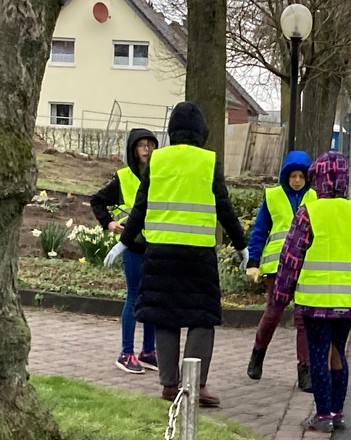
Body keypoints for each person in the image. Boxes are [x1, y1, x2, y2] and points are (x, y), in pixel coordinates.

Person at [104, 101, 249, 406]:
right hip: (198, 254)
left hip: (160, 253)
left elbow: (141, 206)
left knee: (165, 317)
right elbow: (224, 207)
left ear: (172, 131)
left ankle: (170, 386)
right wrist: (242, 245)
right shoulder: (208, 161)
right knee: (202, 318)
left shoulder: (158, 161)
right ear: (201, 131)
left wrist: (125, 242)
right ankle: (194, 387)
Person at [272, 151, 351, 433]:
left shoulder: (310, 212)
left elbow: (291, 257)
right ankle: (338, 412)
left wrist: (280, 295)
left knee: (318, 353)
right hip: (349, 298)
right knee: (338, 351)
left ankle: (323, 414)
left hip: (316, 297)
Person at [245, 150, 316, 391]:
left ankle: (304, 369)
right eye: (293, 176)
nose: (297, 180)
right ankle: (258, 354)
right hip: (277, 267)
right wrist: (253, 261)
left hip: (306, 265)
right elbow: (260, 230)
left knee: (303, 319)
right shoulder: (273, 196)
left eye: (301, 176)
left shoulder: (316, 198)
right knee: (273, 314)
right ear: (286, 176)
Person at [90, 128, 158, 374]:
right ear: (133, 149)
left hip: (155, 245)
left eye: (151, 144)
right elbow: (96, 200)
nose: (147, 149)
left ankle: (149, 352)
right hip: (132, 246)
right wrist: (108, 223)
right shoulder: (124, 178)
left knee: (151, 298)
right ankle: (126, 352)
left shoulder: (160, 175)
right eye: (142, 145)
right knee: (134, 297)